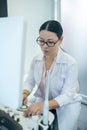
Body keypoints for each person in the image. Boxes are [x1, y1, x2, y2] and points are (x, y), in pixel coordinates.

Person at [22, 20, 82, 130]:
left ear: (61, 40)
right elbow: (30, 81)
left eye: (50, 42)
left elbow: (68, 95)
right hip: (43, 99)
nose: (45, 46)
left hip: (66, 105)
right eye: (41, 41)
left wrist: (44, 106)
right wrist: (24, 94)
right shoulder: (36, 60)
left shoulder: (70, 63)